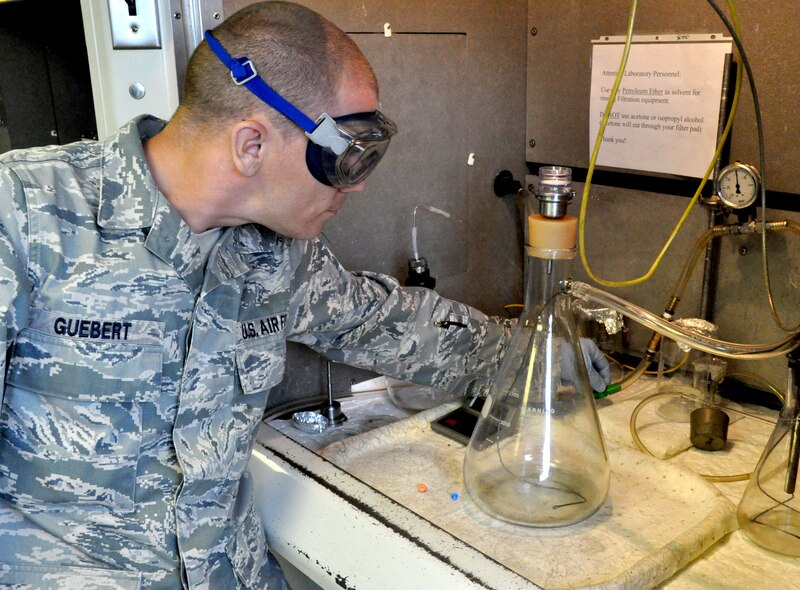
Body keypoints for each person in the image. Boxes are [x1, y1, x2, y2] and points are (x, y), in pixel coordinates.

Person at [0, 2, 609, 588]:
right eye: (345, 158)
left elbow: (385, 323)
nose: (359, 186)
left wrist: (539, 357)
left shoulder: (274, 252)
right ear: (251, 145)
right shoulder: (25, 215)